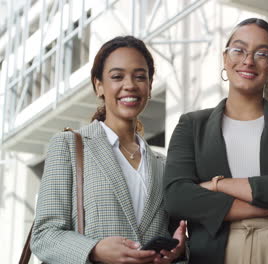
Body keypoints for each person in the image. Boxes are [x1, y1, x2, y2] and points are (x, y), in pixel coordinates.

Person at [163, 18, 268, 264]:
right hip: (215, 253)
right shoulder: (192, 125)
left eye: (262, 53)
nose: (248, 60)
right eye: (239, 50)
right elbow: (177, 197)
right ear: (225, 58)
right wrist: (266, 206)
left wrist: (217, 185)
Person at [31, 36, 186, 264]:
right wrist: (94, 249)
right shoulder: (69, 146)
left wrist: (177, 250)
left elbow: (170, 236)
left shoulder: (163, 165)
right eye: (117, 76)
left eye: (140, 76)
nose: (130, 85)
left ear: (150, 86)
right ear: (99, 86)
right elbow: (44, 236)